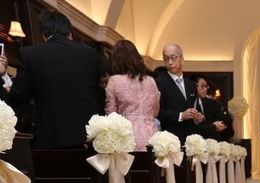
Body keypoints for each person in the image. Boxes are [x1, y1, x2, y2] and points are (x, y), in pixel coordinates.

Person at [8, 10, 105, 148]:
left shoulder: (30, 55)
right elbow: (98, 93)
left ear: (44, 35)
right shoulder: (90, 54)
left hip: (50, 137)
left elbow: (19, 96)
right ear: (69, 32)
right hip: (87, 137)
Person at [105, 40, 160, 151]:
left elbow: (111, 114)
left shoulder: (114, 81)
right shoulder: (151, 81)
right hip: (151, 136)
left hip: (126, 137)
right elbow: (155, 112)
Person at [155, 43, 204, 143]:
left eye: (173, 57)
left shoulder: (191, 84)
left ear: (182, 59)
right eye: (166, 58)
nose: (170, 62)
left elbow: (195, 107)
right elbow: (157, 112)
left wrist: (198, 117)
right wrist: (181, 115)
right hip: (169, 139)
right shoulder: (159, 82)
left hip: (190, 139)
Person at [191, 75, 232, 141]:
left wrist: (220, 125)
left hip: (211, 141)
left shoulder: (213, 103)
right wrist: (212, 127)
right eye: (202, 86)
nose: (205, 89)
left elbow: (225, 122)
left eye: (206, 86)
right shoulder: (187, 103)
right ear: (193, 86)